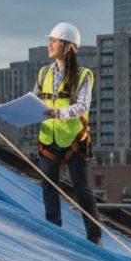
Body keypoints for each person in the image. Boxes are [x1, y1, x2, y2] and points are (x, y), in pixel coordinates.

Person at [34, 22, 101, 245]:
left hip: (73, 139)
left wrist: (58, 113)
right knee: (48, 185)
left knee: (81, 189)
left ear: (68, 47)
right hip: (48, 138)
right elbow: (35, 100)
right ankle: (54, 232)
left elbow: (82, 106)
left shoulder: (83, 75)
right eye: (50, 40)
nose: (49, 44)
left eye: (54, 40)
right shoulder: (44, 73)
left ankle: (94, 236)